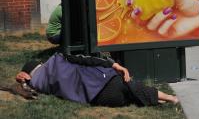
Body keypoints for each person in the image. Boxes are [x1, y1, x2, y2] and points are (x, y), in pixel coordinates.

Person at [15, 53, 178, 107]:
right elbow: (87, 60)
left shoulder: (39, 85)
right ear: (40, 64)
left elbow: (26, 88)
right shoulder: (58, 59)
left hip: (97, 99)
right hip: (102, 81)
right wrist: (116, 65)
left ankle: (155, 99)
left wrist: (23, 81)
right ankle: (169, 97)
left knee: (127, 96)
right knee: (130, 85)